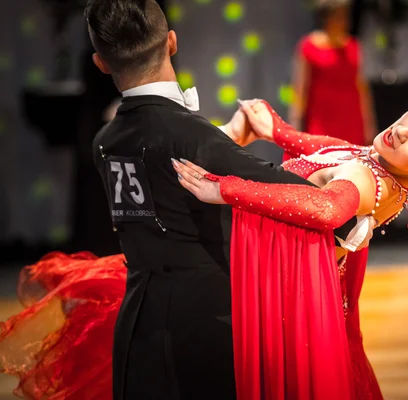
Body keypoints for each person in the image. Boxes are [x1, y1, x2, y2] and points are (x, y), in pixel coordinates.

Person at [0, 0, 364, 399]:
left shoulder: (105, 144)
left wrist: (223, 138)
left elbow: (160, 165)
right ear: (172, 42)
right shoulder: (191, 137)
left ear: (101, 63)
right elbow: (303, 199)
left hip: (137, 328)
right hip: (209, 328)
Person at [173, 89, 408, 399]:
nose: (402, 131)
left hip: (273, 292)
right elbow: (330, 150)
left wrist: (225, 189)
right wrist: (277, 131)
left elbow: (327, 208)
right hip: (283, 285)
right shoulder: (384, 164)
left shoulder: (368, 181)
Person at [289, 0, 377, 152]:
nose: (343, 21)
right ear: (326, 18)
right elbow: (301, 89)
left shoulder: (353, 45)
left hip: (351, 120)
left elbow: (361, 87)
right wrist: (295, 125)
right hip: (321, 120)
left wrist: (369, 124)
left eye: (345, 16)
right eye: (338, 16)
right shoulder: (309, 46)